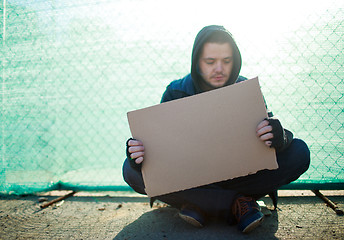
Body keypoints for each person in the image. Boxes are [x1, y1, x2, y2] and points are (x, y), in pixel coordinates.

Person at [123, 25, 310, 233]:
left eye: (226, 61)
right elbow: (157, 153)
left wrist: (279, 136)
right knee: (130, 170)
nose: (219, 69)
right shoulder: (175, 92)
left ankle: (201, 204)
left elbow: (276, 142)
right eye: (210, 62)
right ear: (197, 62)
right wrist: (137, 154)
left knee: (299, 152)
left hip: (239, 175)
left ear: (235, 61)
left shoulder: (245, 90)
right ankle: (238, 204)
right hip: (190, 177)